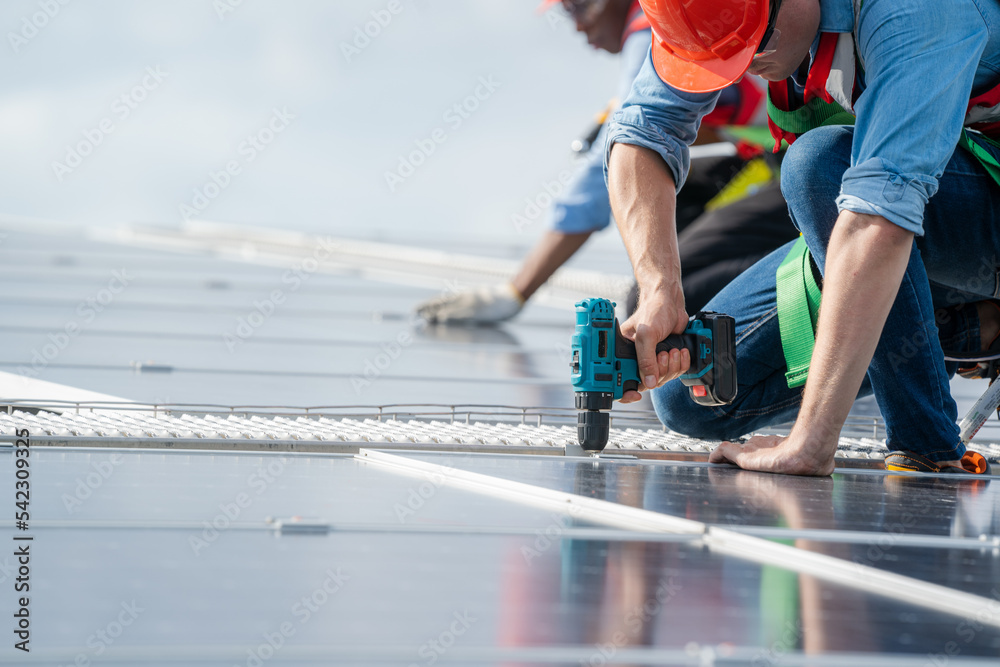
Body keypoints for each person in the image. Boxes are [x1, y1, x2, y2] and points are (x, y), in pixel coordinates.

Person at [606, 0, 1000, 475]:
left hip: (940, 213)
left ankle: (925, 441)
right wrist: (658, 289)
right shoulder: (704, 12)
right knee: (698, 395)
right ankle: (976, 327)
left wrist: (811, 441)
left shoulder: (915, 13)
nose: (748, 67)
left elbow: (880, 216)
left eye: (757, 44)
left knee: (818, 167)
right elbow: (643, 130)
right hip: (937, 211)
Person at [416, 0, 793, 324]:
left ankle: (828, 277)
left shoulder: (652, 31)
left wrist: (517, 290)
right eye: (567, 12)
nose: (579, 26)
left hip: (811, 166)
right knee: (674, 222)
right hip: (786, 158)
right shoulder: (681, 20)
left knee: (672, 293)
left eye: (579, 5)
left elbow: (607, 172)